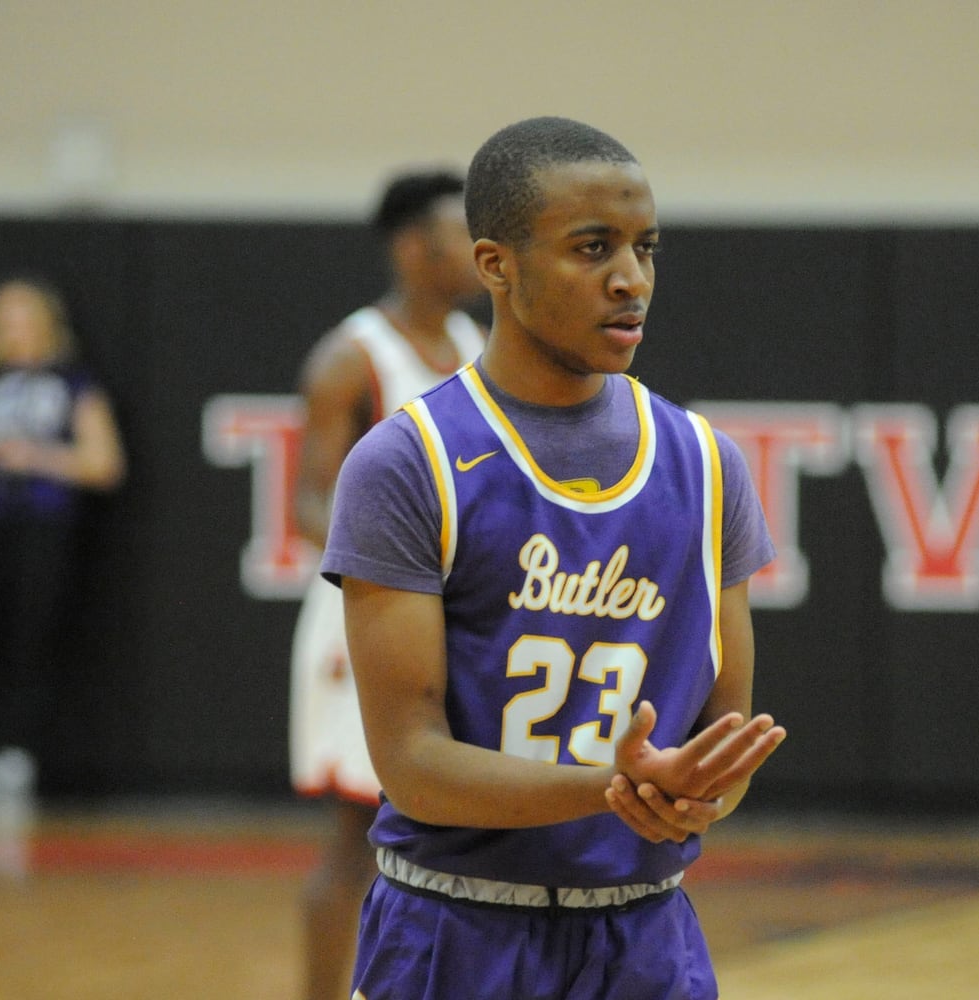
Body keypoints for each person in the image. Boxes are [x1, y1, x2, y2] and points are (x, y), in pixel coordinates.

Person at [321, 116, 787, 999]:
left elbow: (720, 748)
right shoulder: (407, 462)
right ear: (496, 264)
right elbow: (412, 764)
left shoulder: (706, 463)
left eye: (646, 248)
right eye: (592, 248)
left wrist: (695, 794)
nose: (631, 279)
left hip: (646, 935)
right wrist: (615, 787)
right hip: (453, 931)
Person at [287, 169, 486, 999]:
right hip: (360, 615)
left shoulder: (478, 347)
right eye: (456, 237)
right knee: (356, 838)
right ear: (413, 249)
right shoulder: (351, 356)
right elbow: (306, 505)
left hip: (449, 615)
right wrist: (408, 557)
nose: (479, 253)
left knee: (446, 833)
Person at [0, 277, 126, 844]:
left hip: (45, 529)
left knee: (34, 636)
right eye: (5, 320)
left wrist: (37, 457)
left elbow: (104, 463)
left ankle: (20, 758)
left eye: (25, 318)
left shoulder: (74, 384)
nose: (15, 331)